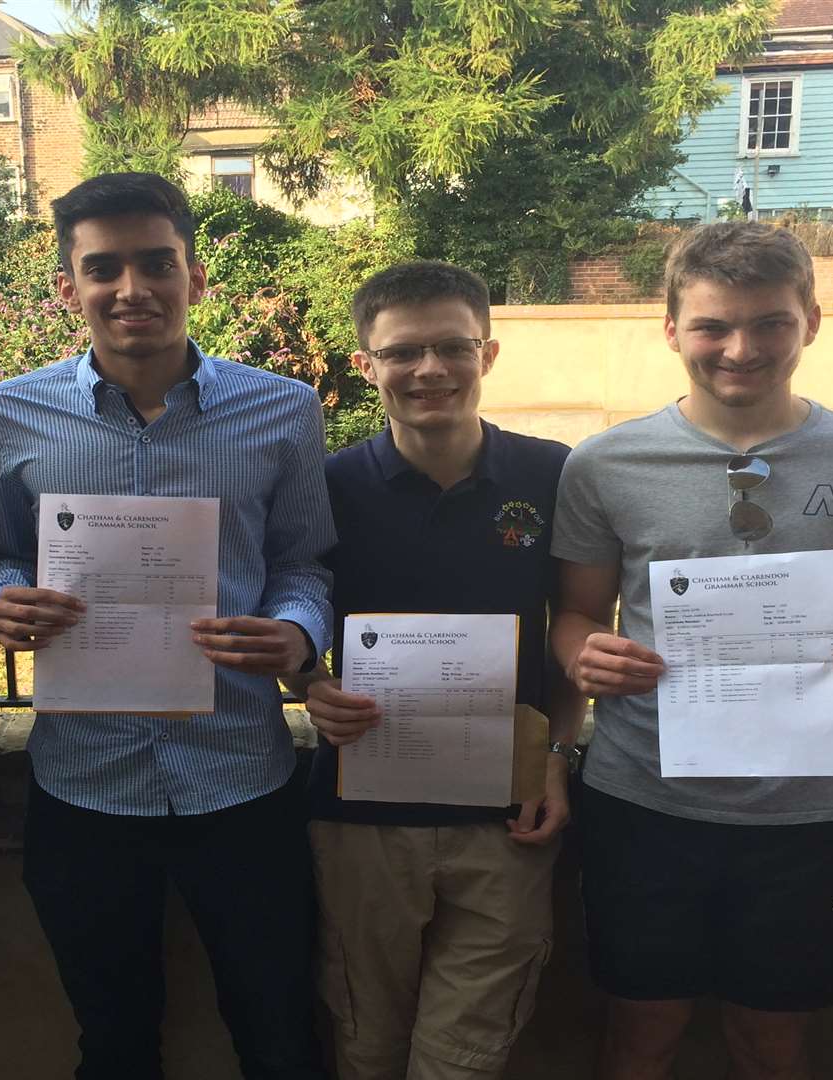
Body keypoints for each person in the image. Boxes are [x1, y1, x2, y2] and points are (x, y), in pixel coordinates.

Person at [549, 222, 833, 1080]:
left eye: (770, 324)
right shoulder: (606, 462)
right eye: (714, 325)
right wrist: (586, 657)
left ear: (813, 323)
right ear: (671, 328)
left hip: (805, 809)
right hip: (642, 800)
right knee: (640, 1031)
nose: (740, 348)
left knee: (773, 1040)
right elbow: (573, 615)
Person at [0, 172, 334, 1079]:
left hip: (241, 774)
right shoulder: (10, 411)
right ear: (68, 287)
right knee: (114, 1038)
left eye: (155, 264)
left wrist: (294, 634)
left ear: (195, 277)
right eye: (103, 268)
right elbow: (2, 552)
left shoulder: (283, 407)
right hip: (83, 780)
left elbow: (303, 561)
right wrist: (1, 598)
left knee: (281, 1030)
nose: (131, 288)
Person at [289, 260, 573, 1079]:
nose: (430, 370)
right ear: (365, 366)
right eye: (403, 352)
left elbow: (577, 628)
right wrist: (310, 689)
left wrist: (558, 754)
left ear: (487, 353)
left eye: (452, 346)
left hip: (507, 818)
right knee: (364, 1042)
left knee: (465, 1055)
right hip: (362, 821)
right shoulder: (326, 486)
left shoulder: (550, 473)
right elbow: (289, 612)